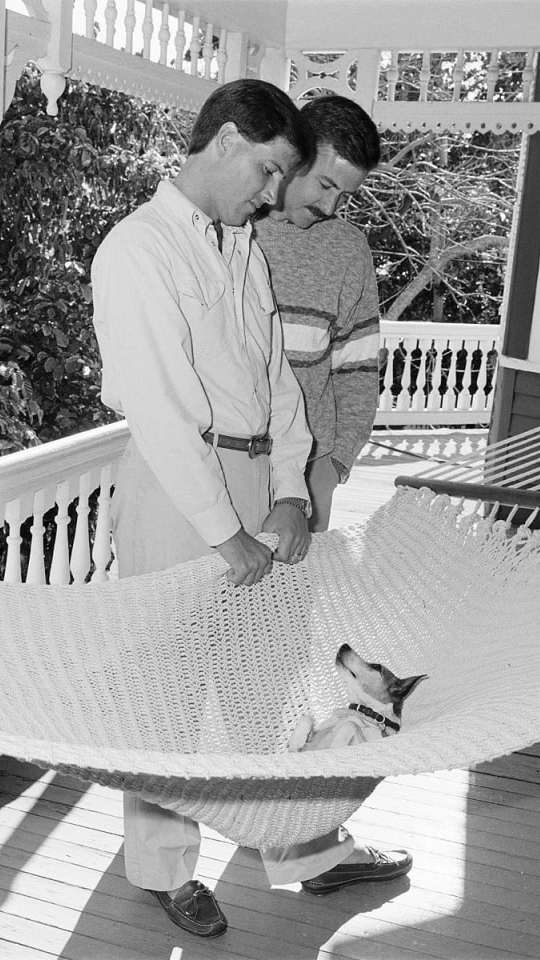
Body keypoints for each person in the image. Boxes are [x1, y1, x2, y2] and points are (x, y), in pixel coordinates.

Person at [90, 79, 412, 940]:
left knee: (265, 675)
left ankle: (297, 847)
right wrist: (225, 533)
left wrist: (291, 490)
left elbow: (279, 385)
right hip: (178, 491)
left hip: (262, 480)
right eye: (269, 171)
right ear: (228, 140)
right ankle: (165, 870)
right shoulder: (139, 249)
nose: (273, 194)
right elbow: (160, 412)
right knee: (167, 691)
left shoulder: (237, 247)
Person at [256, 95, 384, 533]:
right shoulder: (230, 228)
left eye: (344, 196)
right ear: (294, 155)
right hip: (225, 463)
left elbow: (358, 368)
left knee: (297, 584)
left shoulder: (348, 249)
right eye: (326, 185)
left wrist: (335, 464)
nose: (330, 208)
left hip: (310, 472)